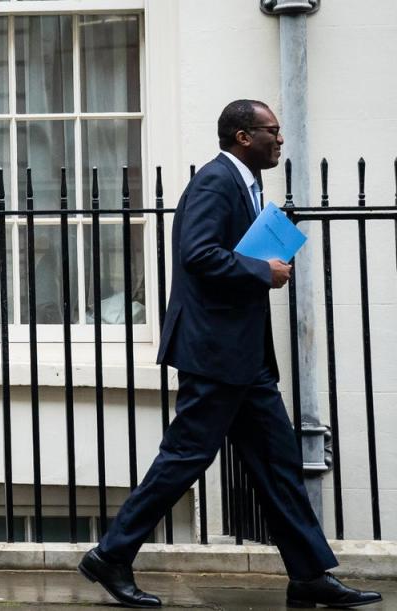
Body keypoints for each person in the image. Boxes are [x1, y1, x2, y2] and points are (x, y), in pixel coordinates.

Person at [78, 100, 382, 609]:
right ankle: (111, 554)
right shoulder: (217, 182)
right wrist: (266, 272)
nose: (280, 140)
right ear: (244, 137)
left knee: (278, 462)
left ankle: (308, 574)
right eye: (272, 131)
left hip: (246, 359)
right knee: (184, 458)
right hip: (215, 354)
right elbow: (197, 255)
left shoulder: (248, 185)